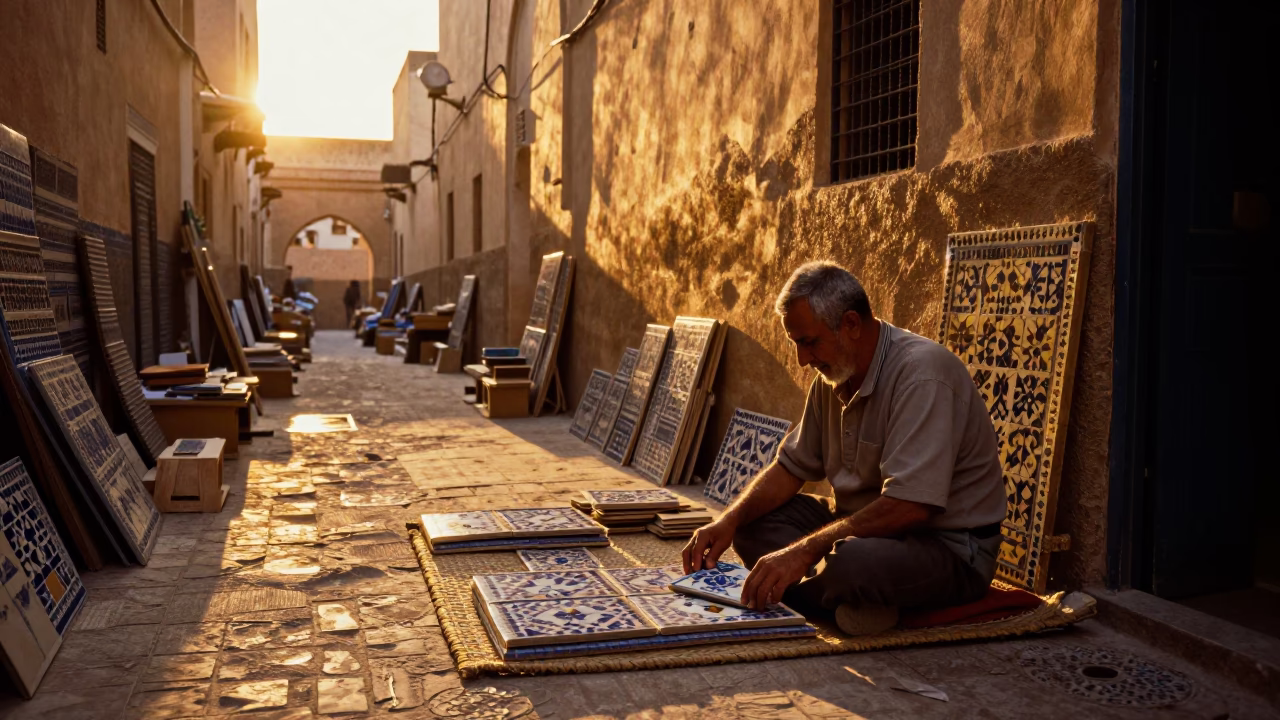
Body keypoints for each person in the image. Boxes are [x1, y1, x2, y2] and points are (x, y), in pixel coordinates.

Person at [682, 261, 1006, 636]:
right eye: (797, 344)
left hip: (947, 548)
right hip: (861, 528)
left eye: (810, 342)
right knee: (754, 525)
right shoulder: (832, 375)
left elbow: (911, 507)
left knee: (851, 562)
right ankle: (846, 604)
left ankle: (818, 594)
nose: (804, 360)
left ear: (851, 324)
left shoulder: (922, 375)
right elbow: (791, 468)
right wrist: (729, 520)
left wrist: (804, 551)